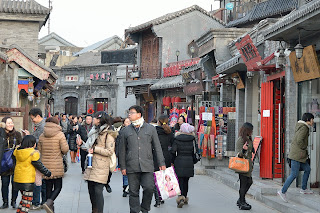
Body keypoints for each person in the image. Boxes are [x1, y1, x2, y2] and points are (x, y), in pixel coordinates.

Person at [119, 105, 166, 213]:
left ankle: (145, 209)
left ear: (139, 114)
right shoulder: (125, 131)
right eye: (129, 113)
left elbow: (157, 147)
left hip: (147, 165)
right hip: (131, 165)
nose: (129, 115)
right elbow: (122, 151)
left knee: (149, 188)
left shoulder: (150, 129)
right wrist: (123, 166)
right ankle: (134, 211)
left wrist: (161, 162)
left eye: (132, 113)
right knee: (133, 192)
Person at [78, 111, 117, 213]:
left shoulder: (108, 133)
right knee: (91, 190)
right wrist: (82, 144)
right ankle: (94, 210)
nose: (93, 119)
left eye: (94, 118)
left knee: (98, 191)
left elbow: (109, 151)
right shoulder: (94, 130)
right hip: (91, 164)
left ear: (99, 120)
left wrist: (95, 149)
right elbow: (89, 147)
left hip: (101, 165)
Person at [278, 113, 314, 202]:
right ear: (308, 119)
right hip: (297, 155)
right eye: (312, 119)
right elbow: (299, 140)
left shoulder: (301, 126)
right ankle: (282, 191)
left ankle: (304, 188)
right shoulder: (304, 128)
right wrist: (303, 147)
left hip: (299, 155)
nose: (313, 121)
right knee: (294, 174)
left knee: (307, 169)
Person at [13, 135, 51, 213]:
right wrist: (48, 173)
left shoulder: (17, 151)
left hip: (17, 179)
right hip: (28, 181)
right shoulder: (33, 153)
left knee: (24, 200)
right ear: (33, 144)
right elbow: (40, 166)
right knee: (27, 203)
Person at [38, 117, 69, 213]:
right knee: (58, 187)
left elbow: (39, 150)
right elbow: (65, 149)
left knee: (48, 187)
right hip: (56, 165)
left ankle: (50, 209)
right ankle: (49, 203)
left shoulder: (42, 135)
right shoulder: (60, 135)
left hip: (45, 165)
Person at [23, 108, 46, 210]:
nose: (32, 120)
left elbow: (39, 140)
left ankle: (38, 202)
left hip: (40, 155)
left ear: (38, 116)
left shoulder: (42, 126)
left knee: (39, 181)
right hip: (38, 155)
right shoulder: (38, 125)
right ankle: (41, 202)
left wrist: (29, 137)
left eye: (33, 119)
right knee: (40, 181)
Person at [171, 123, 195, 208]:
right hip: (189, 161)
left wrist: (172, 161)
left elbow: (173, 151)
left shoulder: (177, 139)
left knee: (180, 181)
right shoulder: (192, 139)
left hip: (179, 161)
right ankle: (184, 197)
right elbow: (194, 152)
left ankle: (180, 197)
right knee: (186, 181)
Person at [0, 117, 22, 209]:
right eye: (8, 123)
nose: (11, 125)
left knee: (15, 184)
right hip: (4, 163)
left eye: (12, 123)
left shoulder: (17, 134)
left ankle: (14, 201)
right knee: (4, 184)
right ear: (4, 124)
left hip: (15, 162)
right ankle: (5, 202)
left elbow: (22, 147)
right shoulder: (1, 135)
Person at [153, 114, 174, 207]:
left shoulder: (154, 131)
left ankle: (157, 198)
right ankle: (162, 196)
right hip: (166, 156)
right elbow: (173, 145)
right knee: (163, 177)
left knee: (155, 178)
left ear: (158, 121)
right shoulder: (169, 132)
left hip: (155, 156)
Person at [235, 122, 254, 210]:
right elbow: (238, 154)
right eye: (251, 130)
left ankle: (241, 200)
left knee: (249, 182)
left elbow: (250, 152)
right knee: (244, 183)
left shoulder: (248, 139)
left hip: (248, 165)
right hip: (242, 165)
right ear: (247, 130)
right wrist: (243, 150)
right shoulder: (241, 140)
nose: (252, 132)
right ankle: (242, 202)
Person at [116, 117, 131, 197]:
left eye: (129, 122)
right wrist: (117, 153)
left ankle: (129, 187)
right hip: (124, 154)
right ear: (123, 123)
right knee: (125, 172)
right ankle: (125, 187)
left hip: (132, 155)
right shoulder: (121, 132)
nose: (128, 123)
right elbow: (118, 143)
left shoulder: (135, 131)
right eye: (126, 122)